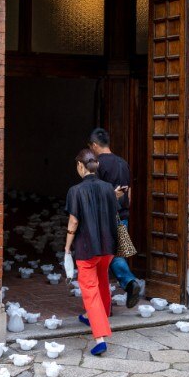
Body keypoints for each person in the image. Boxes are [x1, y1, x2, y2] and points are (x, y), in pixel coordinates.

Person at [64, 148, 121, 356]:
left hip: (87, 247)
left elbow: (74, 221)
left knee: (90, 290)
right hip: (108, 246)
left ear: (80, 166)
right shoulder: (108, 188)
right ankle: (96, 316)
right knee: (102, 280)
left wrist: (67, 246)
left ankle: (100, 338)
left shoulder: (75, 190)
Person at [89, 128, 142, 309]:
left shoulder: (97, 164)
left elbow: (95, 193)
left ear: (94, 145)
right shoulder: (123, 163)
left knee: (107, 253)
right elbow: (129, 193)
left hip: (105, 216)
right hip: (122, 215)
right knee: (115, 252)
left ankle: (128, 282)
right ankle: (125, 286)